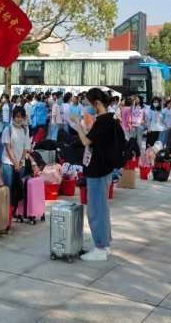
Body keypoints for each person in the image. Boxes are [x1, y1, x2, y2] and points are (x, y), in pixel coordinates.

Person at [70, 88, 116, 261]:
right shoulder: (109, 119)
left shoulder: (103, 121)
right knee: (101, 208)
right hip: (103, 170)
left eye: (88, 104)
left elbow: (86, 141)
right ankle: (105, 244)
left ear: (97, 104)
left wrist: (77, 124)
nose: (86, 107)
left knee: (96, 210)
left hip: (98, 171)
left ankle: (100, 247)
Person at [0, 106, 30, 188]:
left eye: (21, 117)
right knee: (8, 186)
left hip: (21, 163)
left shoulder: (25, 130)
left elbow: (25, 147)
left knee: (18, 187)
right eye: (17, 116)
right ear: (13, 117)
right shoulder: (8, 129)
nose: (19, 119)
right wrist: (15, 163)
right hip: (8, 162)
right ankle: (7, 201)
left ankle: (15, 201)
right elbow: (8, 148)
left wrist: (21, 162)